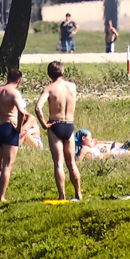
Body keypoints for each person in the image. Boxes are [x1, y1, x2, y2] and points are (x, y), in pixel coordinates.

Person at [0, 67, 29, 202]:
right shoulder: (15, 93)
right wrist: (19, 128)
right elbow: (22, 112)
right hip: (9, 128)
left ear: (7, 78)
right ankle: (2, 196)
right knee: (7, 165)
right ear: (19, 81)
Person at [36, 61, 80, 201]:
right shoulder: (72, 87)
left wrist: (44, 124)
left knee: (58, 162)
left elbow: (38, 107)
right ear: (63, 72)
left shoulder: (49, 89)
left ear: (49, 74)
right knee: (72, 162)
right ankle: (78, 193)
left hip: (56, 125)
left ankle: (62, 196)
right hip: (69, 124)